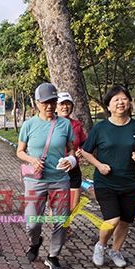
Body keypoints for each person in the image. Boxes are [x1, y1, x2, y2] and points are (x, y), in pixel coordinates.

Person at [81, 85, 135, 269]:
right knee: (113, 219)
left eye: (124, 98)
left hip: (128, 182)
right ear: (108, 106)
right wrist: (99, 165)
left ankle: (115, 251)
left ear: (129, 102)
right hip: (105, 182)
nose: (121, 102)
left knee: (125, 221)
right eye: (115, 100)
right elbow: (86, 152)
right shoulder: (100, 128)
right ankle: (101, 246)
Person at [17, 83, 76, 269]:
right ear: (37, 103)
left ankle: (53, 256)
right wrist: (32, 159)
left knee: (60, 219)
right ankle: (35, 242)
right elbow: (20, 151)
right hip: (35, 179)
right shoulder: (28, 125)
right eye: (45, 103)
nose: (49, 106)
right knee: (32, 222)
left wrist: (71, 159)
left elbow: (72, 149)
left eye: (53, 102)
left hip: (60, 179)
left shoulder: (65, 124)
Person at [56, 92, 87, 233]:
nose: (65, 107)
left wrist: (81, 150)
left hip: (74, 169)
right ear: (56, 107)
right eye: (62, 104)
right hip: (56, 170)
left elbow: (83, 142)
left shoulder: (76, 124)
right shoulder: (50, 124)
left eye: (68, 104)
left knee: (73, 205)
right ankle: (59, 227)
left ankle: (64, 222)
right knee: (58, 204)